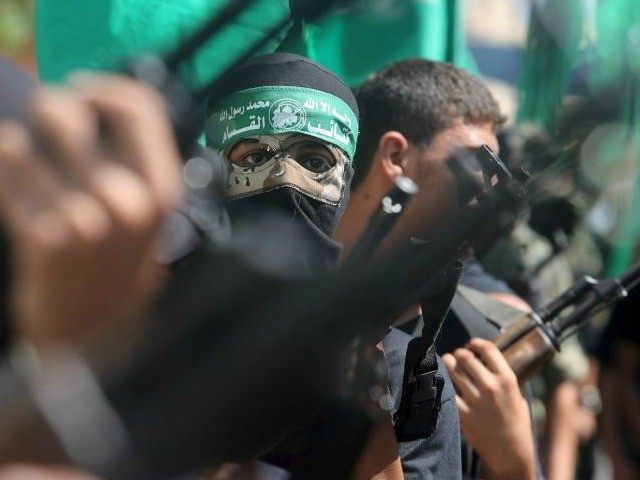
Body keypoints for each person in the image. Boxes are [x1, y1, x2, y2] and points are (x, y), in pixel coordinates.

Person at [204, 52, 403, 480]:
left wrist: (362, 414)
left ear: (347, 182)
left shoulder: (390, 363)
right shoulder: (159, 318)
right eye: (254, 158)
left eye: (313, 163)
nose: (284, 180)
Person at [335, 59, 537, 480]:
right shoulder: (271, 290)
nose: (487, 194)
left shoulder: (450, 356)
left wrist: (514, 464)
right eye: (476, 166)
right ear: (395, 155)